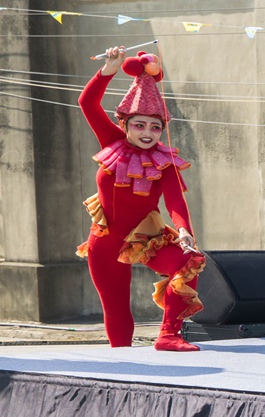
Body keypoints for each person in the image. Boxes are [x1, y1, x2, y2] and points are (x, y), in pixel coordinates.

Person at [77, 46, 205, 352]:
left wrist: (185, 231)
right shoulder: (111, 141)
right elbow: (87, 103)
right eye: (139, 124)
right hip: (106, 241)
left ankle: (168, 335)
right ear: (125, 125)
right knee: (116, 306)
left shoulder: (165, 162)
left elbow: (176, 202)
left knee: (189, 260)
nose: (148, 132)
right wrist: (109, 68)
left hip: (146, 237)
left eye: (155, 126)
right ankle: (121, 361)